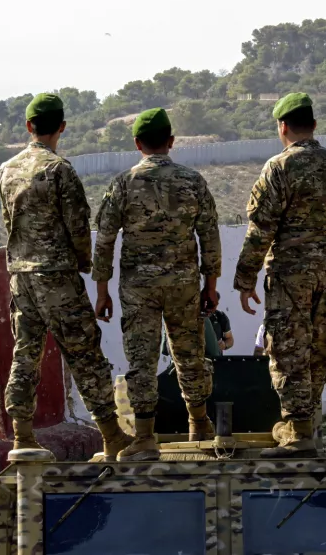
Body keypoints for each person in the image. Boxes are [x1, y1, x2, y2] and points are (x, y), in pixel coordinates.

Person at [0, 93, 130, 460]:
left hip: (20, 276)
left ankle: (22, 436)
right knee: (84, 353)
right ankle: (112, 434)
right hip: (57, 276)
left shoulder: (5, 170)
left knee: (25, 353)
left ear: (28, 126)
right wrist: (85, 264)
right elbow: (76, 224)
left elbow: (10, 224)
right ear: (62, 127)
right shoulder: (59, 170)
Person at [234, 93, 326, 458]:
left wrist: (245, 279)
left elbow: (260, 228)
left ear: (283, 126)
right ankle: (307, 423)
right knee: (318, 346)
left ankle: (297, 431)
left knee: (288, 348)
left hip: (290, 274)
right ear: (314, 125)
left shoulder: (278, 168)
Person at [92, 107, 222, 461]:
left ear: (137, 144)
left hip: (138, 288)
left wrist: (102, 291)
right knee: (189, 354)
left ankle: (146, 437)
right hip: (183, 284)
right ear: (171, 142)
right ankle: (200, 424)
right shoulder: (193, 182)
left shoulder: (122, 184)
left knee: (142, 359)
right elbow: (209, 235)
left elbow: (103, 240)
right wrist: (211, 285)